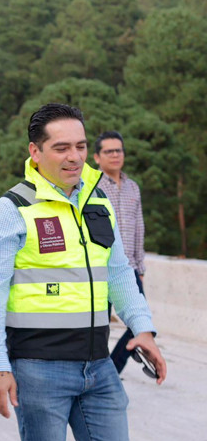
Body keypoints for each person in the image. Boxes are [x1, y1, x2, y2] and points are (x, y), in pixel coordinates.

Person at [0, 103, 167, 441]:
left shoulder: (98, 204)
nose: (74, 157)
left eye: (80, 146)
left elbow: (120, 273)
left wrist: (143, 328)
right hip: (38, 370)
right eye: (61, 148)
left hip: (99, 365)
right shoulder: (11, 210)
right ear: (35, 152)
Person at [93, 131, 148, 375]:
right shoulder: (92, 188)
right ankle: (95, 376)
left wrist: (140, 267)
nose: (115, 155)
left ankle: (111, 370)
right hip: (100, 268)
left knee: (140, 323)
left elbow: (139, 228)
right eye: (109, 151)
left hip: (129, 268)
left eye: (119, 150)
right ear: (96, 157)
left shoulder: (132, 188)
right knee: (99, 327)